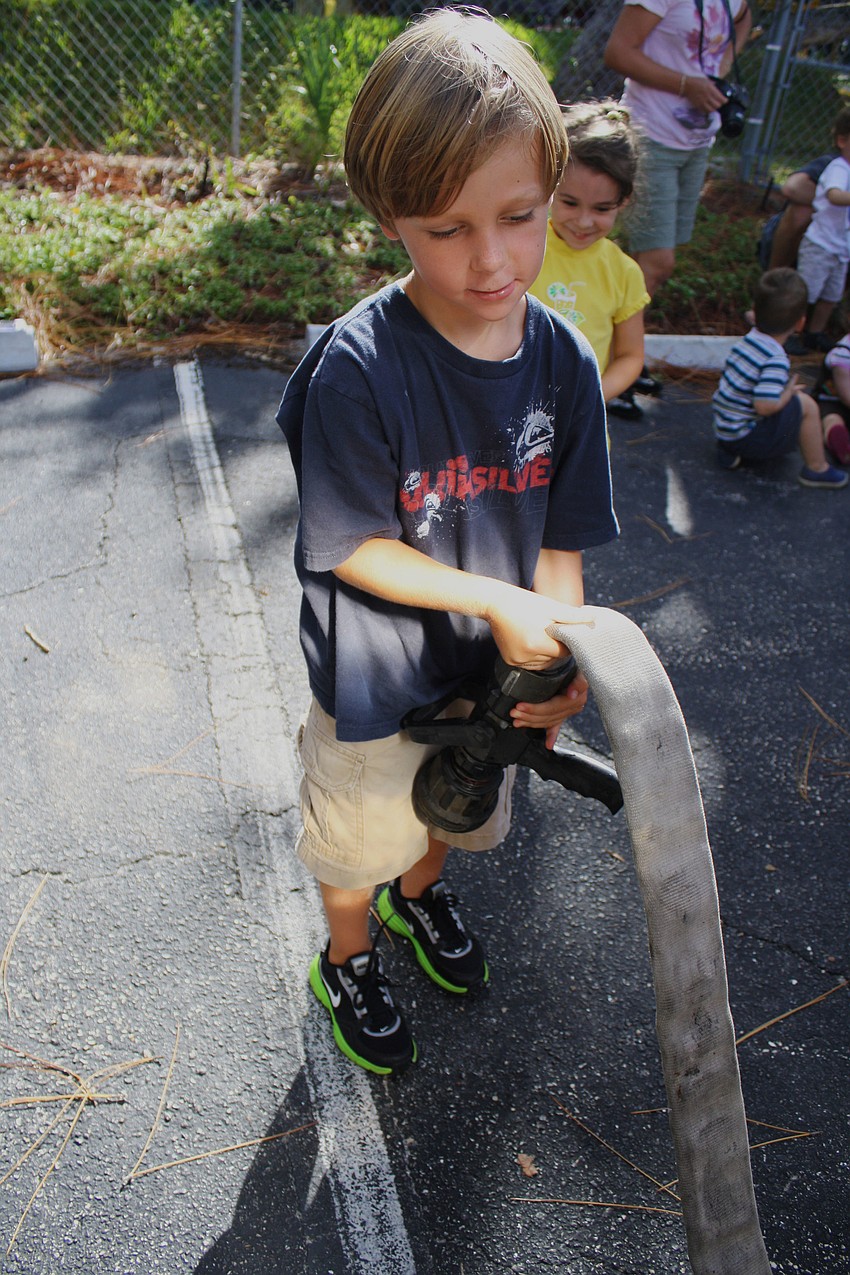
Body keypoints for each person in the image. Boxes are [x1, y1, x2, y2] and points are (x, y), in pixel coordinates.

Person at [276, 9, 619, 1076]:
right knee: (357, 839)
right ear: (390, 216)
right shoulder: (357, 366)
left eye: (519, 217)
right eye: (445, 229)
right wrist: (497, 601)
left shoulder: (560, 360)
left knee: (454, 809)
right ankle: (348, 955)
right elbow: (353, 546)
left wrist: (553, 650)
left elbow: (560, 535)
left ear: (553, 189)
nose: (490, 261)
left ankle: (419, 904)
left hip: (489, 671)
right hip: (381, 680)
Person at [603, 0, 752, 297]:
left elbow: (744, 17)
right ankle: (620, 340)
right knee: (656, 262)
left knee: (644, 258)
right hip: (651, 135)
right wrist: (686, 85)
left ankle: (615, 332)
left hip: (697, 143)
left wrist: (719, 69)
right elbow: (617, 52)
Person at [529, 100, 652, 421]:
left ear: (623, 202)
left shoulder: (624, 272)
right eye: (570, 203)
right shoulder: (522, 246)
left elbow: (630, 355)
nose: (584, 222)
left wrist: (590, 395)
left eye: (601, 209)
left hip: (578, 425)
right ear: (550, 184)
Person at [712, 267, 847, 489]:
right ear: (800, 323)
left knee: (770, 400)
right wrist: (787, 395)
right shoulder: (775, 358)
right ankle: (816, 468)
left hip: (725, 428)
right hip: (747, 437)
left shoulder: (746, 341)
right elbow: (764, 406)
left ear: (754, 311)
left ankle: (728, 450)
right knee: (806, 405)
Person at [793, 117, 850, 353]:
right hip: (821, 245)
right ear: (842, 141)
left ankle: (814, 333)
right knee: (806, 292)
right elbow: (834, 196)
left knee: (830, 297)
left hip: (841, 250)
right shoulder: (839, 167)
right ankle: (792, 332)